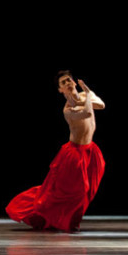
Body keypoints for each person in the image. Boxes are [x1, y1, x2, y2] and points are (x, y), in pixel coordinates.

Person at [6, 70, 106, 232]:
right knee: (75, 190)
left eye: (69, 80)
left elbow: (101, 105)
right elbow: (87, 112)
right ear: (60, 90)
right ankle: (67, 222)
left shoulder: (85, 97)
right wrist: (87, 95)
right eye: (63, 82)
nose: (67, 83)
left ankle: (66, 219)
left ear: (74, 82)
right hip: (74, 153)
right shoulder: (68, 110)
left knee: (88, 191)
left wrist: (86, 95)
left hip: (91, 151)